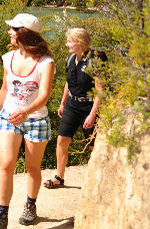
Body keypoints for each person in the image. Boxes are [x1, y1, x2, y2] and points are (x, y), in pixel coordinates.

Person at [0, 13, 55, 229]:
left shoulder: (46, 63)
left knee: (32, 168)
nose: (10, 32)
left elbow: (44, 95)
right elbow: (5, 88)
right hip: (9, 116)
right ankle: (1, 217)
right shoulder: (8, 58)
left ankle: (30, 205)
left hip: (35, 119)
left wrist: (26, 112)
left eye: (14, 29)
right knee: (6, 164)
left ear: (24, 33)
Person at [44, 28, 107, 189]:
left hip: (90, 107)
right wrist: (63, 103)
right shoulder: (71, 58)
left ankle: (99, 180)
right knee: (62, 140)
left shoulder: (97, 59)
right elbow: (69, 82)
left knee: (93, 145)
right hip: (72, 105)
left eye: (69, 41)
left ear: (79, 43)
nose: (67, 44)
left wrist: (93, 114)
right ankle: (59, 177)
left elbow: (101, 89)